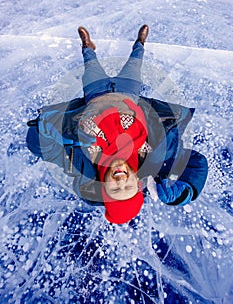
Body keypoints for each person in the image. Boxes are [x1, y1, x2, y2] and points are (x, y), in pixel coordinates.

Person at [26, 25, 208, 224]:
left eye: (115, 189)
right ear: (137, 184)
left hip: (95, 96)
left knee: (91, 66)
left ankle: (88, 47)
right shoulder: (155, 160)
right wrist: (186, 192)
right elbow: (197, 163)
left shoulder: (83, 164)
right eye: (127, 188)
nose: (121, 182)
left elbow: (37, 145)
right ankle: (140, 43)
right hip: (127, 94)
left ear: (104, 186)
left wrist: (58, 128)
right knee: (135, 64)